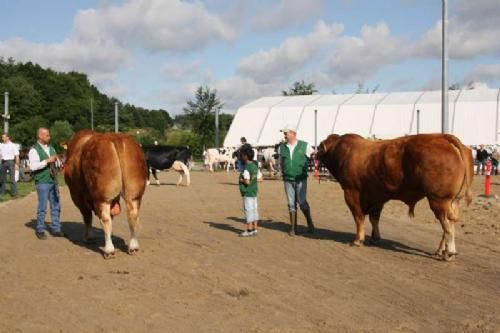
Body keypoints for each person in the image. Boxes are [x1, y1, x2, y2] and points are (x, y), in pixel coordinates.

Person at [279, 125, 315, 236]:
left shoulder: (305, 146)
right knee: (291, 203)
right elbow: (281, 162)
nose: (284, 135)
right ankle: (293, 228)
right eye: (284, 133)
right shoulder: (281, 148)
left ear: (293, 133)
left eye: (286, 133)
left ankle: (310, 224)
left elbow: (314, 156)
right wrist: (283, 172)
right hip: (288, 179)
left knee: (302, 202)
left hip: (301, 179)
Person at [28, 128, 63, 240]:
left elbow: (57, 163)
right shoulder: (34, 150)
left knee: (56, 206)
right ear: (40, 136)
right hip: (42, 181)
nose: (49, 137)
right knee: (42, 207)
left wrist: (58, 161)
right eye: (47, 135)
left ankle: (56, 229)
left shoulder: (51, 148)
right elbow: (33, 167)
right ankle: (40, 229)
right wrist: (47, 161)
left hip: (53, 180)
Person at [238, 147, 259, 237]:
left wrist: (242, 179)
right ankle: (255, 229)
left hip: (248, 192)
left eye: (243, 155)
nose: (242, 157)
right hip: (254, 191)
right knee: (254, 210)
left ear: (246, 156)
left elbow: (247, 181)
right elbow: (261, 179)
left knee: (248, 210)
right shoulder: (255, 166)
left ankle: (249, 229)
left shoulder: (246, 168)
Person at [0, 133, 20, 197]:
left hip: (11, 162)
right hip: (3, 162)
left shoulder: (13, 145)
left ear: (8, 137)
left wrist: (17, 164)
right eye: (2, 137)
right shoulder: (1, 145)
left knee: (12, 179)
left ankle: (14, 193)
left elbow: (17, 155)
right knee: (2, 179)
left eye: (3, 137)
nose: (2, 138)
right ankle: (2, 192)